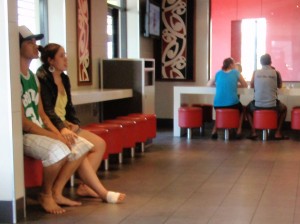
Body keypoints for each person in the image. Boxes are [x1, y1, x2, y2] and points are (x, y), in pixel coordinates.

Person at [19, 26, 125, 214]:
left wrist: (70, 124)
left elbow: (49, 112)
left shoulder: (46, 79)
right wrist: (59, 132)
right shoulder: (38, 78)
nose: (35, 46)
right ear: (51, 60)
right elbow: (37, 118)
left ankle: (74, 189)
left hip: (54, 126)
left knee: (89, 145)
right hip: (33, 131)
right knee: (68, 146)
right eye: (30, 42)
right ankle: (50, 193)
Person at [246, 53, 288, 140]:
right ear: (271, 62)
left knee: (247, 109)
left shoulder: (255, 72)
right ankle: (278, 133)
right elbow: (279, 86)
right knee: (284, 109)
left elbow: (252, 86)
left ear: (260, 62)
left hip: (257, 105)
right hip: (273, 105)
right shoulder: (276, 73)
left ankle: (253, 132)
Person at [207, 57, 248, 139]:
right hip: (232, 104)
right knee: (243, 109)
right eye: (233, 63)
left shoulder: (218, 73)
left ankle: (214, 130)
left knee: (221, 112)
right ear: (230, 64)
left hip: (217, 105)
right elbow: (245, 85)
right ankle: (239, 130)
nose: (234, 65)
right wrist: (235, 85)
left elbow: (208, 85)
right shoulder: (236, 72)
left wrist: (219, 85)